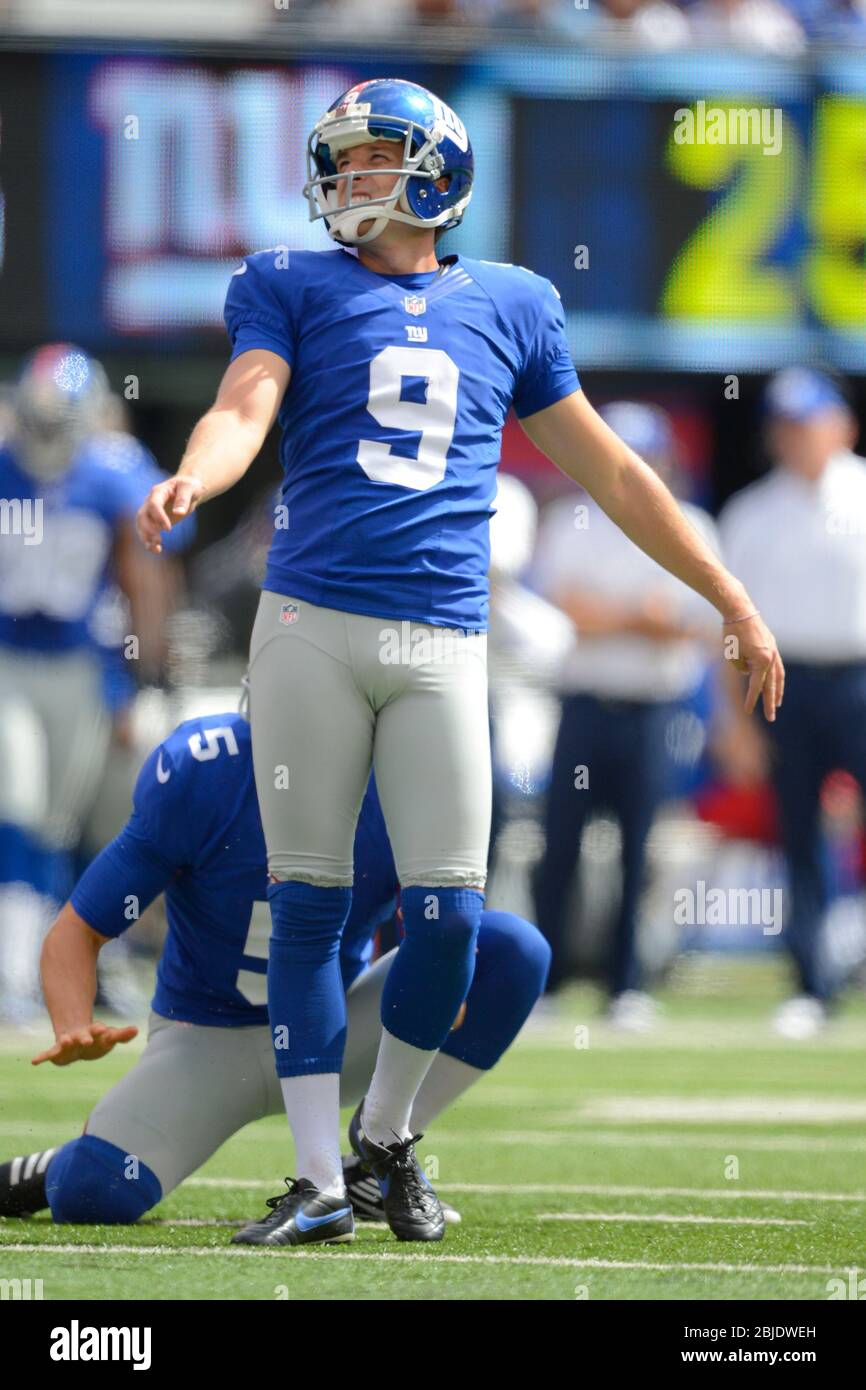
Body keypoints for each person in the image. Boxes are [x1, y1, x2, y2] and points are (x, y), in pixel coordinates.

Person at [136, 78, 783, 1246]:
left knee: (446, 912)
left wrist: (727, 593)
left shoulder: (517, 303)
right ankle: (315, 1179)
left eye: (373, 158)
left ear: (434, 173)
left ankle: (382, 1142)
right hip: (308, 627)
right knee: (309, 909)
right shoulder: (286, 282)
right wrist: (200, 473)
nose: (348, 179)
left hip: (442, 635)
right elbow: (246, 403)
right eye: (343, 160)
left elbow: (618, 477)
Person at [0, 709, 550, 1242]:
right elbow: (80, 928)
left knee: (509, 952)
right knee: (90, 1193)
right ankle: (54, 1162)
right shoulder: (206, 770)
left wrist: (438, 979)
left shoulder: (397, 782)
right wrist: (72, 1022)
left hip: (335, 1025)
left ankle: (372, 1162)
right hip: (208, 1042)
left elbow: (435, 925)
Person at [0, 346, 180, 1022]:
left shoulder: (111, 473)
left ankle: (57, 964)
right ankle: (16, 970)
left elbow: (149, 575)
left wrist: (145, 678)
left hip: (78, 665)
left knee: (60, 819)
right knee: (16, 801)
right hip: (7, 656)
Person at [530, 403, 718, 1028]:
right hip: (585, 703)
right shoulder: (570, 522)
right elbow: (572, 615)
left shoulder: (689, 523)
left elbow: (689, 625)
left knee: (639, 849)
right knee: (561, 846)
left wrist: (616, 619)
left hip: (653, 711)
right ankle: (550, 982)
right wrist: (640, 619)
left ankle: (626, 985)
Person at [718, 368, 866, 1039]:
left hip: (859, 674)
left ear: (842, 426)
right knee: (798, 836)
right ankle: (812, 984)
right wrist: (734, 722)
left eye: (808, 422)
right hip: (786, 682)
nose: (797, 437)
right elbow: (726, 628)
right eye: (786, 425)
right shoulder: (751, 512)